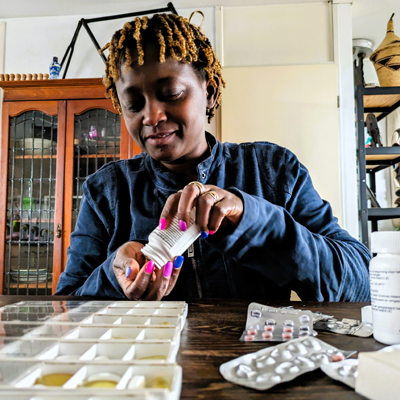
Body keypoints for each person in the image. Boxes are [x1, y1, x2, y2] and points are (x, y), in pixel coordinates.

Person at [56, 13, 371, 301]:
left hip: (251, 362)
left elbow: (359, 282)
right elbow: (66, 308)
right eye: (134, 104)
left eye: (171, 94)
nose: (151, 116)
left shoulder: (273, 171)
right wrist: (113, 275)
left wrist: (250, 219)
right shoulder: (107, 190)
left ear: (210, 93)